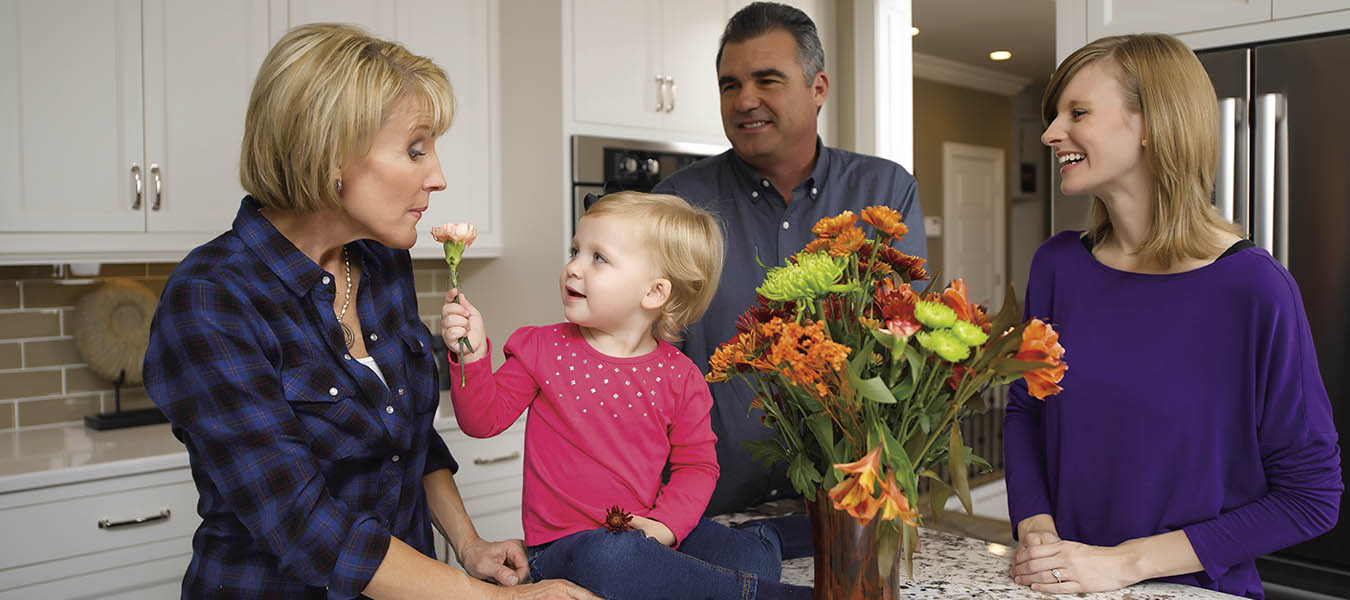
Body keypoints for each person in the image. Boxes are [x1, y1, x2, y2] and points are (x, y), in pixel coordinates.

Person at [143, 23, 596, 600]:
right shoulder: (212, 298)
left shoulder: (379, 261)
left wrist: (469, 544)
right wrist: (498, 599)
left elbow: (410, 442)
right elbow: (304, 523)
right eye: (414, 150)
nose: (438, 176)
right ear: (331, 154)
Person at [1003, 33, 1342, 599]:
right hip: (1061, 585)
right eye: (1055, 114)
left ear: (1152, 124)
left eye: (1078, 112)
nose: (1049, 134)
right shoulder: (1058, 266)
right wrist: (1037, 529)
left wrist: (1124, 564)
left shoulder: (1256, 289)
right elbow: (1025, 412)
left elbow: (1309, 497)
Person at [441, 192, 813, 599]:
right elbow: (482, 421)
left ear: (654, 292)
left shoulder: (680, 376)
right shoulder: (539, 349)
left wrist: (666, 527)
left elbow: (697, 467)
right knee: (612, 560)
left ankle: (767, 537)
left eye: (598, 257)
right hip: (564, 549)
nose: (573, 267)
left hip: (647, 531)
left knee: (749, 560)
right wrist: (472, 358)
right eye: (575, 250)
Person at [653, 1, 928, 519]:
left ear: (818, 87)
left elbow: (903, 345)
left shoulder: (886, 191)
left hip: (844, 507)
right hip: (705, 512)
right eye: (730, 84)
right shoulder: (676, 204)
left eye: (767, 79)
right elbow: (643, 359)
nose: (745, 100)